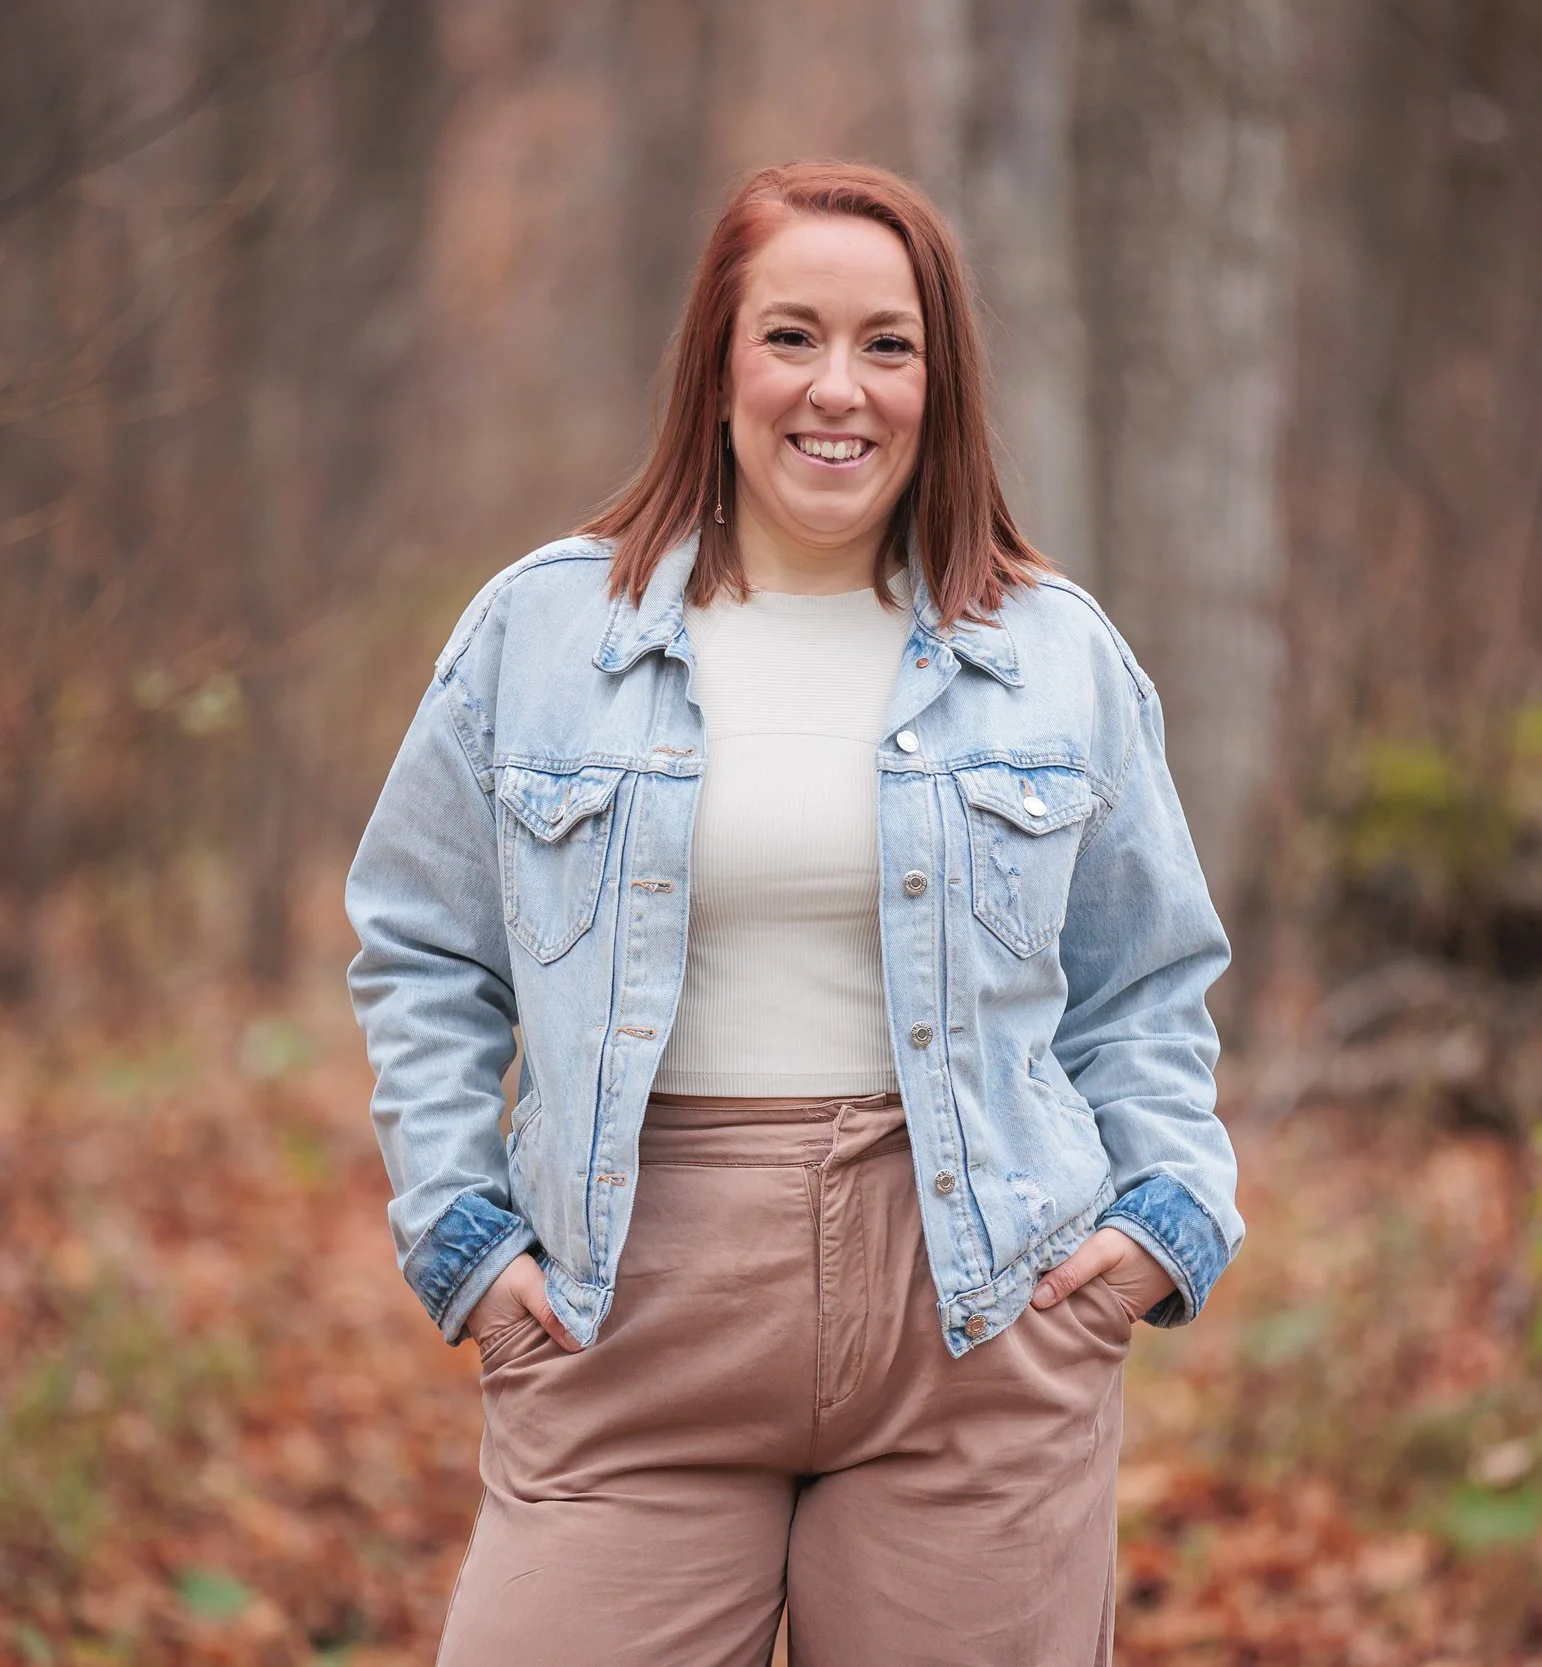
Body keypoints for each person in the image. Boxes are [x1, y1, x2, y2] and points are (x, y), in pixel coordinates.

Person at [345, 159, 1241, 1667]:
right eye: (791, 336)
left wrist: (1159, 1223)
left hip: (973, 1314)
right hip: (627, 1312)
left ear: (938, 381)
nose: (841, 388)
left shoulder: (1054, 653)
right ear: (717, 364)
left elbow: (1147, 982)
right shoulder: (545, 633)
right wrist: (465, 1239)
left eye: (889, 344)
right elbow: (423, 951)